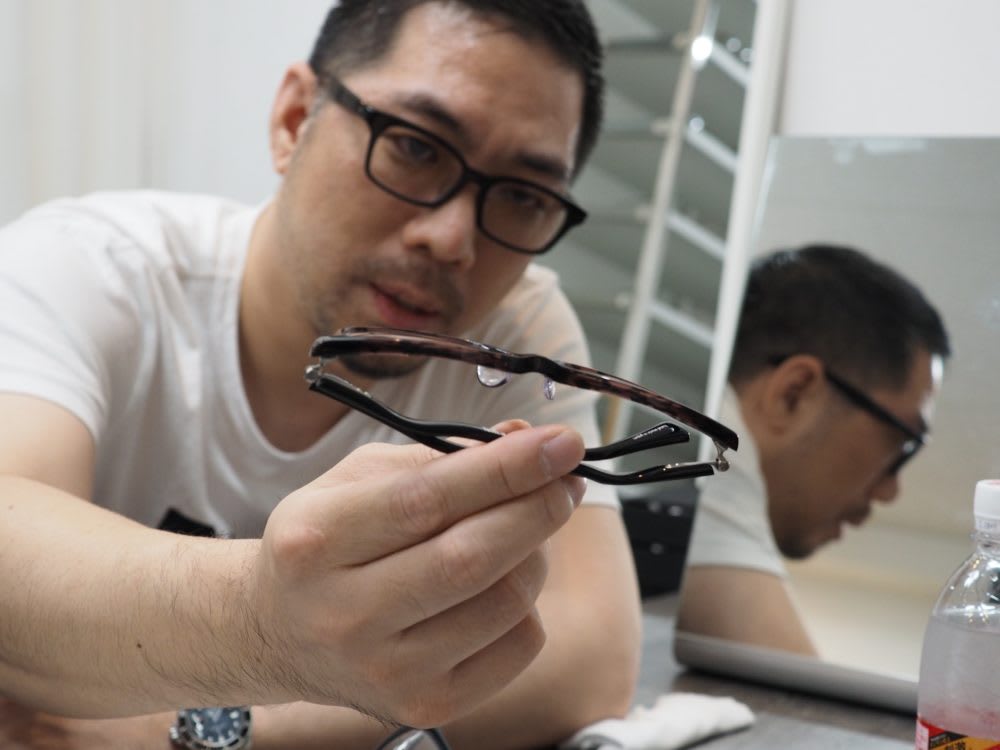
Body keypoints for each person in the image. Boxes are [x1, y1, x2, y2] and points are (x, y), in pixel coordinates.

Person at [0, 2, 643, 748]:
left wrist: (208, 728)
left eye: (524, 197)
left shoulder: (513, 337)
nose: (452, 240)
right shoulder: (90, 266)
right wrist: (262, 619)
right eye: (415, 147)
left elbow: (593, 656)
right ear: (294, 118)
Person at [677, 245, 950, 655]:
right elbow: (786, 676)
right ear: (794, 394)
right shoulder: (708, 456)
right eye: (902, 443)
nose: (890, 491)